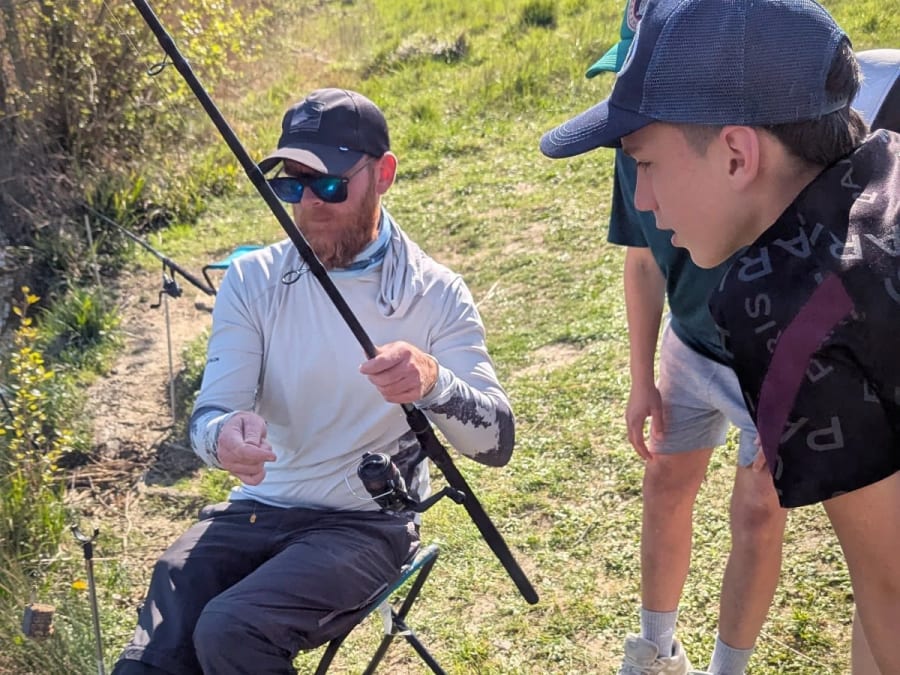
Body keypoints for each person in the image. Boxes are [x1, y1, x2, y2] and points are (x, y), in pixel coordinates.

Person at [539, 1, 900, 673]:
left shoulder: (792, 312)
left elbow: (893, 596)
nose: (640, 201)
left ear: (736, 154)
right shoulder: (880, 173)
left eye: (643, 163)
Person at [111, 87, 516, 674]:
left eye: (328, 185)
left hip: (365, 527)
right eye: (290, 184)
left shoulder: (435, 292)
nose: (308, 204)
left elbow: (497, 444)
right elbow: (207, 418)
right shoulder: (250, 279)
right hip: (254, 508)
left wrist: (433, 382)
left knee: (231, 628)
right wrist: (224, 436)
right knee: (155, 645)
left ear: (384, 175)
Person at [580, 2, 786, 673]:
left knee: (758, 510)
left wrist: (787, 393)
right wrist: (643, 375)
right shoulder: (633, 147)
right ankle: (655, 647)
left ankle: (729, 667)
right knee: (666, 481)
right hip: (691, 346)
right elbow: (641, 259)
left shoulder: (755, 146)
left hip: (767, 362)